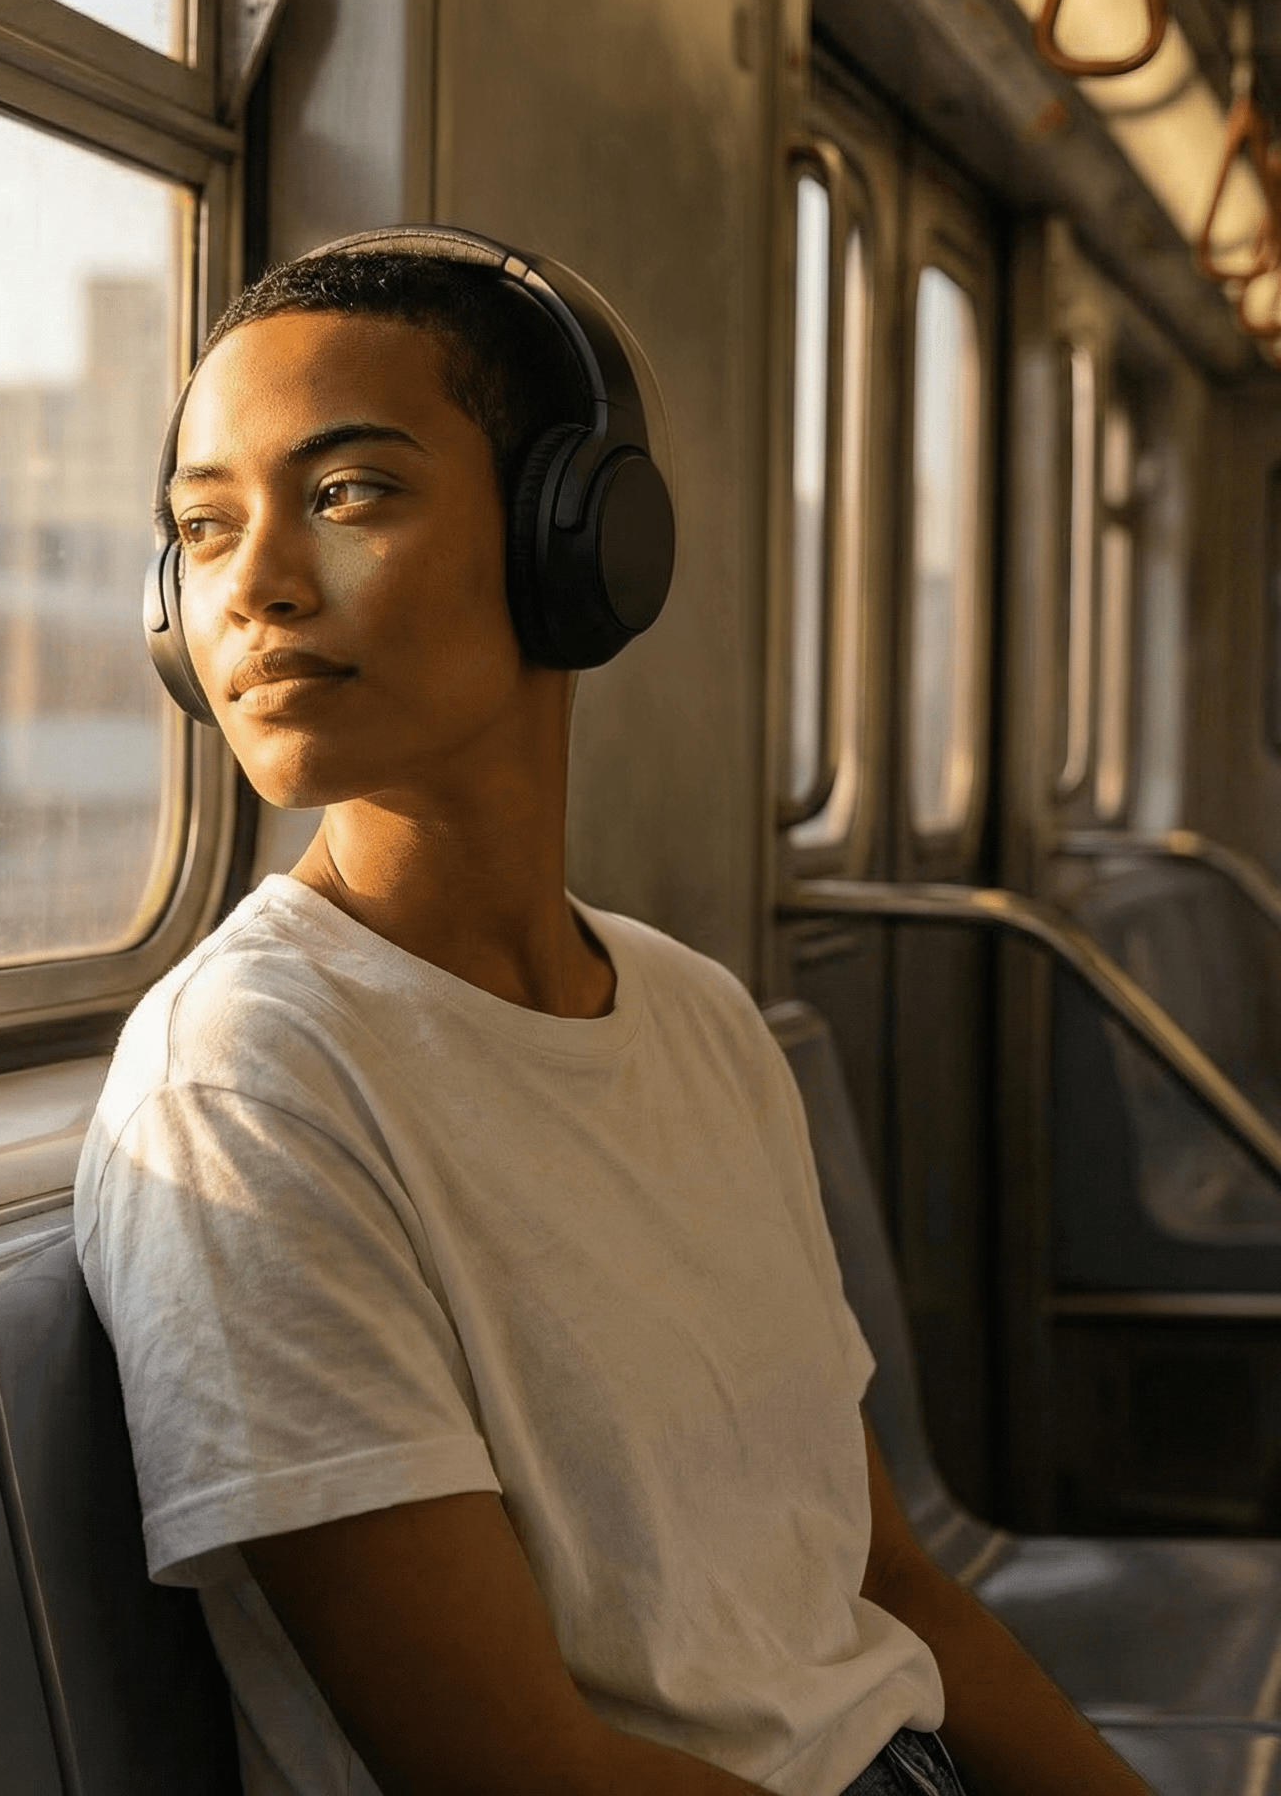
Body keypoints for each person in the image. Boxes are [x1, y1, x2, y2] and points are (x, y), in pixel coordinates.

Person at [74, 230, 1153, 1796]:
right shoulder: (249, 1082)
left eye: (348, 493)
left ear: (569, 542)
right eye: (203, 526)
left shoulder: (700, 1020)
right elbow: (519, 1776)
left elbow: (887, 1590)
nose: (256, 587)